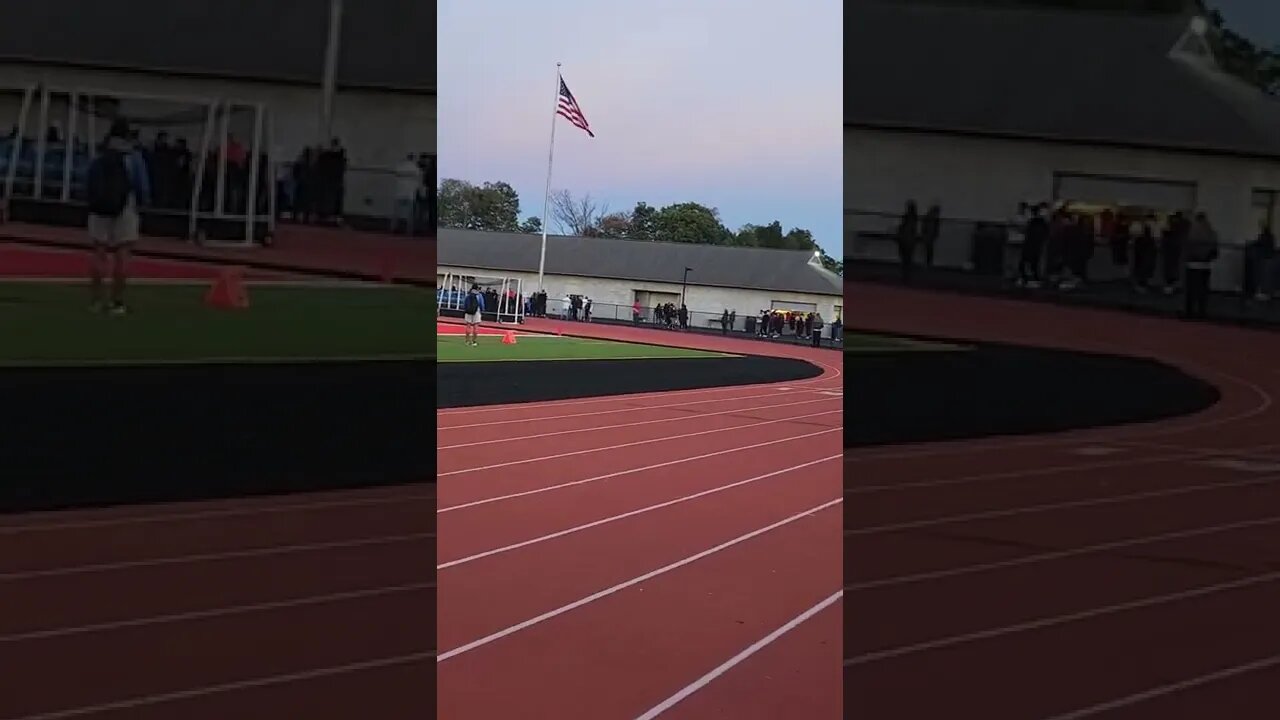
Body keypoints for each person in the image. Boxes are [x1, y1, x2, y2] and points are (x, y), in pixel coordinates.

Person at [87, 118, 151, 315]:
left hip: (99, 207)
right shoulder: (133, 157)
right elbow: (142, 187)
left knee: (99, 252)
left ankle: (97, 301)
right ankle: (117, 302)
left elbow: (89, 178)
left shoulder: (101, 153)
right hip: (125, 207)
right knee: (123, 254)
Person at [1183, 212, 1219, 320]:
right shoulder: (1211, 232)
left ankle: (1189, 312)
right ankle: (1202, 311)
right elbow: (1215, 252)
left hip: (1192, 265)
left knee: (1191, 291)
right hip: (1205, 266)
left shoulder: (1192, 231)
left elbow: (1187, 247)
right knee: (1203, 291)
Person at [392, 153, 422, 235]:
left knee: (396, 213)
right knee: (410, 214)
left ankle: (394, 228)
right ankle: (409, 231)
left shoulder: (400, 166)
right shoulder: (416, 168)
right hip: (410, 194)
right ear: (413, 158)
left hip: (399, 192)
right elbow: (418, 181)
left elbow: (396, 175)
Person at [897, 200, 919, 283]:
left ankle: (905, 275)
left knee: (905, 259)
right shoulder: (914, 218)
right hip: (909, 241)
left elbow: (903, 228)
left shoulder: (907, 218)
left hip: (905, 240)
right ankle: (906, 275)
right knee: (907, 259)